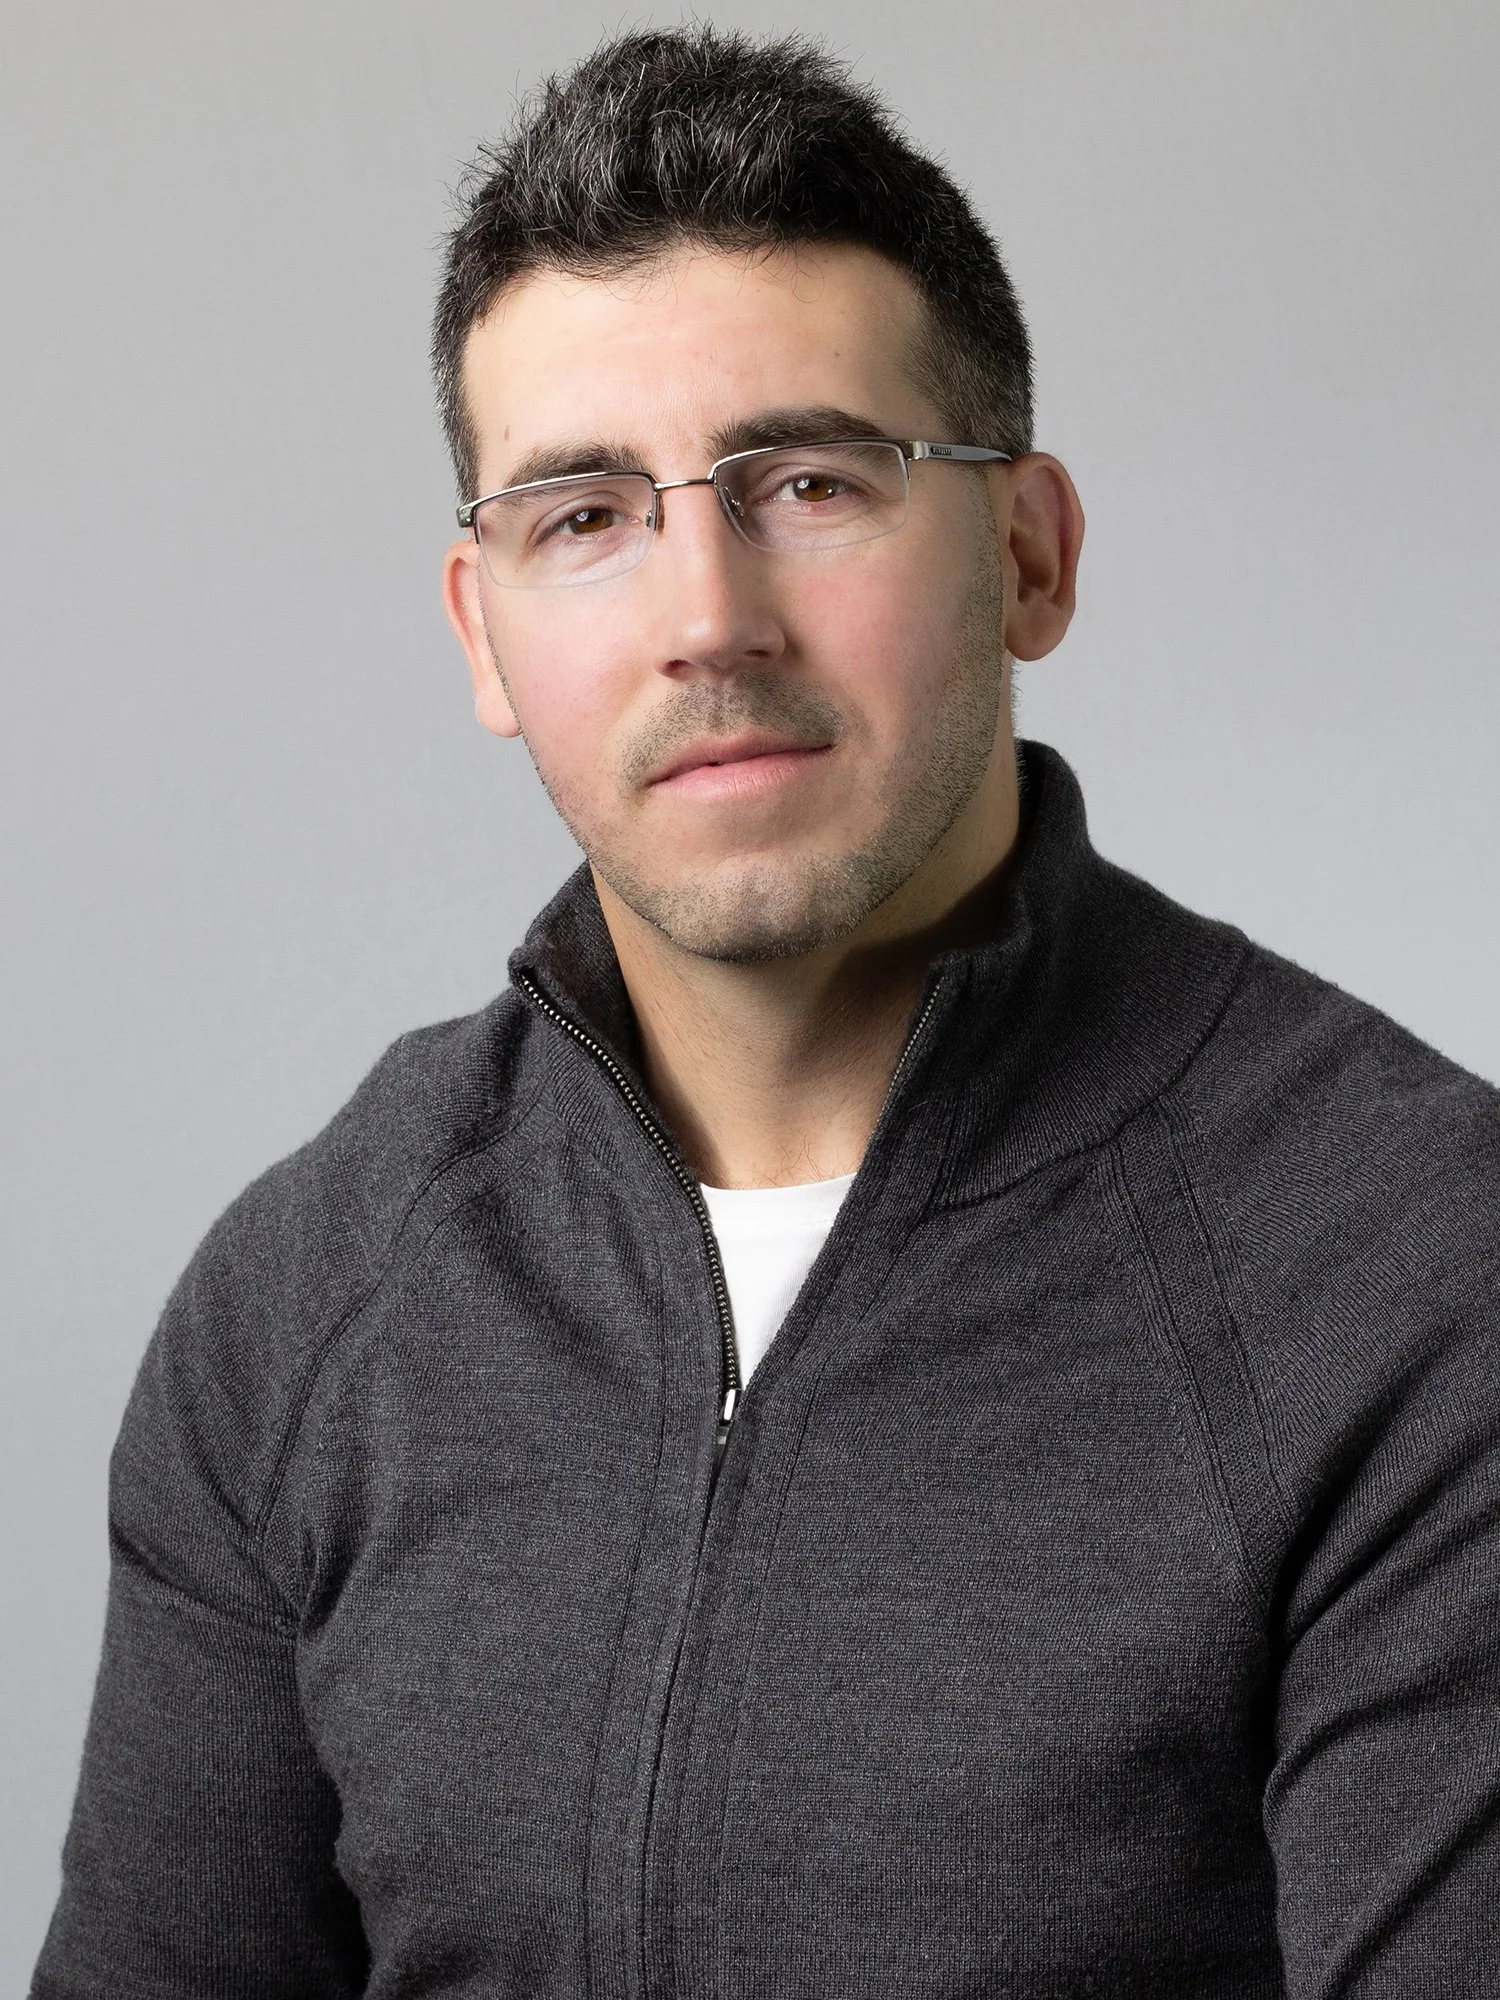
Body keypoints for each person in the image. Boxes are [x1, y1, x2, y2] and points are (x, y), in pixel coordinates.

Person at [33, 25, 1500, 2000]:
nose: (705, 613)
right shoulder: (304, 1302)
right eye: (582, 515)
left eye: (811, 479)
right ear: (483, 629)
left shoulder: (1415, 1269)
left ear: (1030, 551)